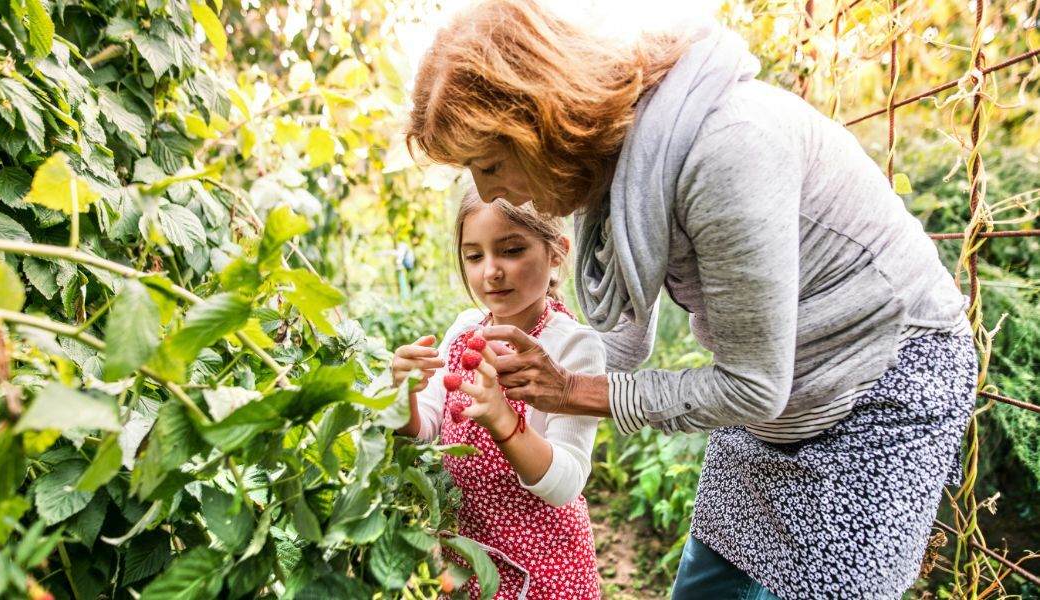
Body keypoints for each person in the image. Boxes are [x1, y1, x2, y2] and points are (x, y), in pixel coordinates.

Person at [404, 1, 977, 598]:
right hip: (771, 393)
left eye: (490, 164)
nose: (489, 191)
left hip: (879, 386)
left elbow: (751, 384)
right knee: (712, 582)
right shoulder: (615, 164)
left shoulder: (726, 149)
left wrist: (571, 390)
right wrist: (546, 364)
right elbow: (624, 342)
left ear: (540, 122)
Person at [392, 189, 605, 599]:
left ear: (556, 252)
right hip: (470, 554)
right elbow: (424, 428)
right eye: (474, 256)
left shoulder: (572, 348)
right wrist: (402, 395)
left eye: (510, 250)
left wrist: (503, 418)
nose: (491, 271)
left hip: (547, 568)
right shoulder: (463, 331)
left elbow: (565, 484)